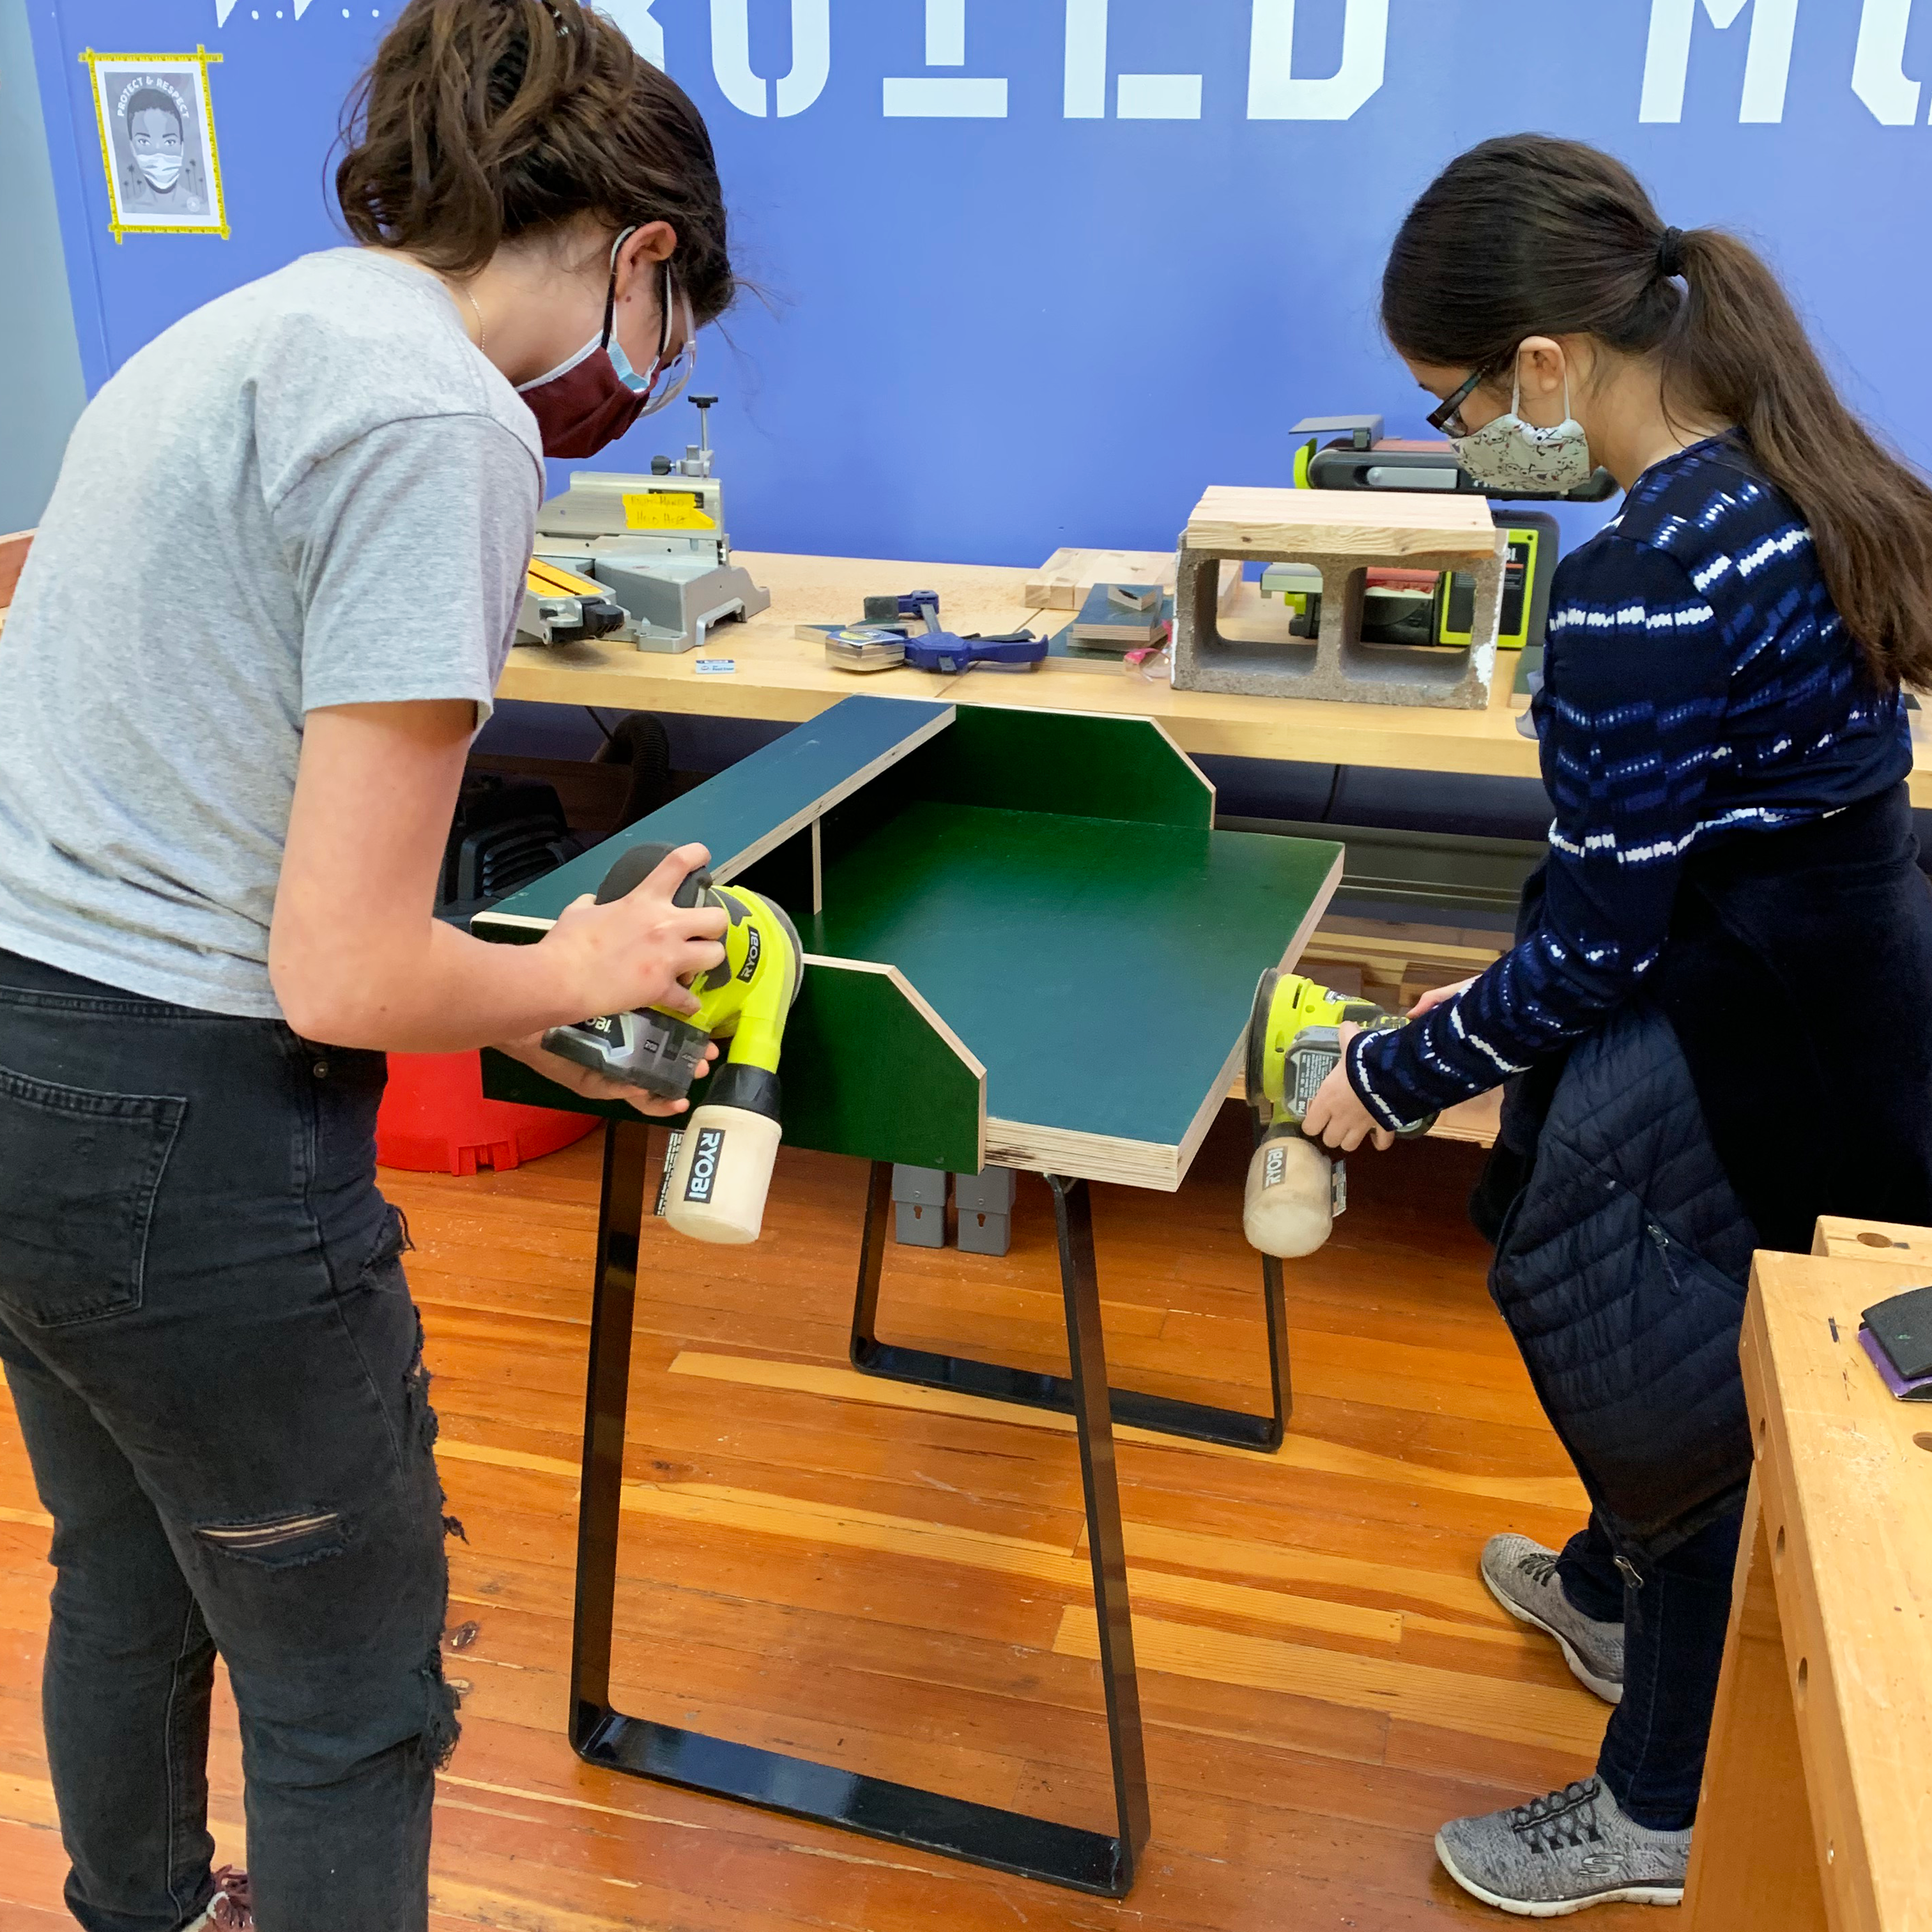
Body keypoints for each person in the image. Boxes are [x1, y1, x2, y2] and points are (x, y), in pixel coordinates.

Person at [0, 2, 739, 1926]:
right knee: (347, 1694)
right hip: (187, 1138)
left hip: (20, 1066)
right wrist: (585, 966)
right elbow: (339, 977)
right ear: (643, 256)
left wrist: (521, 989)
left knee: (126, 1565)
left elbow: (221, 807)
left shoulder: (239, 333)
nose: (644, 380)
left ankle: (149, 1911)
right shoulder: (439, 421)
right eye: (671, 336)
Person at [1303, 134, 1932, 1916]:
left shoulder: (1643, 577)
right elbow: (1646, 881)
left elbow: (1597, 946)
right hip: (1827, 982)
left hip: (1762, 1044)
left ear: (1546, 366)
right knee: (1639, 1317)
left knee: (1671, 1386)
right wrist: (1504, 1000)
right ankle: (1603, 1595)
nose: (1457, 442)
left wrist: (1395, 1076)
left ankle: (1657, 1809)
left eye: (1451, 405)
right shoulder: (1787, 479)